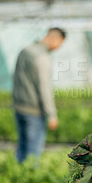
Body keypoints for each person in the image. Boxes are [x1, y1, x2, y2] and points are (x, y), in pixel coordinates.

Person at [12, 27, 66, 163]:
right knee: (33, 154)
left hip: (19, 108)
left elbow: (16, 78)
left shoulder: (24, 51)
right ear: (55, 38)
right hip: (34, 112)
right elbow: (44, 88)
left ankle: (19, 178)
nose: (58, 48)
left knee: (22, 148)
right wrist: (52, 114)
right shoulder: (42, 57)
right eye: (60, 44)